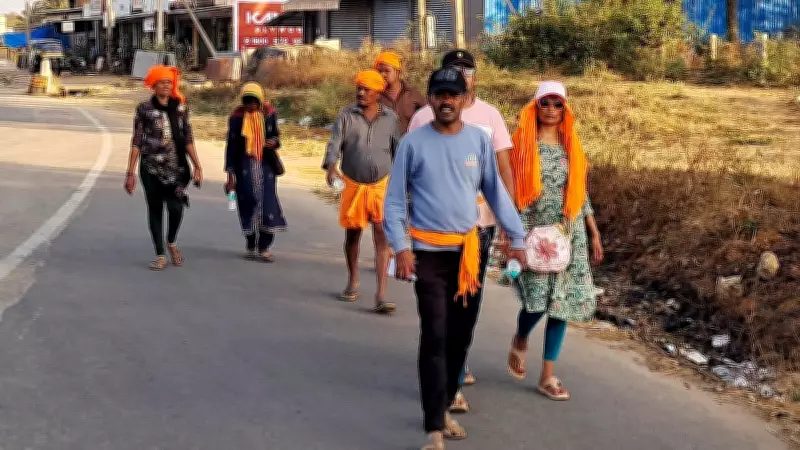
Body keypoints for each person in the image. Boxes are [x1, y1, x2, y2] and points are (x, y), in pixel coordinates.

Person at [384, 67, 527, 450]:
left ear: (465, 100)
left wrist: (517, 238)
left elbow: (496, 193)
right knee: (434, 334)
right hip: (427, 255)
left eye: (453, 95)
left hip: (468, 255)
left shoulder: (478, 142)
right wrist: (401, 248)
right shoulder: (414, 144)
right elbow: (395, 201)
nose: (446, 101)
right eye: (439, 94)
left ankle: (446, 404)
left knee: (461, 335)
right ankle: (433, 426)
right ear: (429, 99)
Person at [408, 49, 514, 413]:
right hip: (430, 237)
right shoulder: (422, 119)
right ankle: (445, 388)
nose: (460, 75)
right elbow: (409, 175)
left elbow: (502, 173)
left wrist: (509, 225)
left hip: (477, 232)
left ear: (474, 78)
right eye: (452, 70)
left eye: (466, 70)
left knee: (466, 309)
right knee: (436, 322)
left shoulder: (489, 118)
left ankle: (452, 373)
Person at [506, 81, 604, 401]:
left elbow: (581, 190)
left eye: (557, 104)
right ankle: (521, 337)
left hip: (569, 233)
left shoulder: (571, 145)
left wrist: (593, 231)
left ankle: (548, 375)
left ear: (566, 109)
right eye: (545, 103)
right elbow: (513, 193)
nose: (551, 110)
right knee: (536, 301)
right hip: (534, 231)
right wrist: (514, 236)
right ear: (535, 107)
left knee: (561, 304)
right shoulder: (521, 145)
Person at [322, 70, 401, 314]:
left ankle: (381, 294)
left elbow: (398, 151)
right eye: (359, 88)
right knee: (353, 235)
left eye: (367, 89)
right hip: (353, 184)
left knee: (381, 236)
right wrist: (331, 167)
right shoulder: (346, 115)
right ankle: (353, 281)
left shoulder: (391, 119)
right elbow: (335, 143)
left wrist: (404, 182)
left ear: (379, 93)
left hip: (382, 184)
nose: (361, 93)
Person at [124, 65, 203, 270]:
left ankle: (171, 241)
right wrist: (130, 172)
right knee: (155, 209)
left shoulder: (181, 108)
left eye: (169, 82)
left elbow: (188, 138)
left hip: (176, 169)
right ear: (154, 85)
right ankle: (160, 254)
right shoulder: (144, 109)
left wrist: (197, 166)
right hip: (150, 169)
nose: (167, 86)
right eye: (162, 82)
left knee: (176, 208)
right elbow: (137, 141)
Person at [224, 82, 287, 261]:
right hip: (243, 166)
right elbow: (232, 146)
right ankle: (251, 241)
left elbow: (276, 136)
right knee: (248, 202)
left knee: (268, 204)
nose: (250, 105)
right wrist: (230, 174)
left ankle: (264, 246)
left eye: (254, 101)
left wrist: (272, 143)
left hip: (265, 165)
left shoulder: (269, 114)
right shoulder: (236, 117)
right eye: (247, 101)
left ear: (260, 100)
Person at [374, 50, 426, 134]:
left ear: (397, 72)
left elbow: (428, 118)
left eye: (387, 71)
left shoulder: (413, 95)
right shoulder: (375, 97)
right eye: (380, 71)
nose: (382, 75)